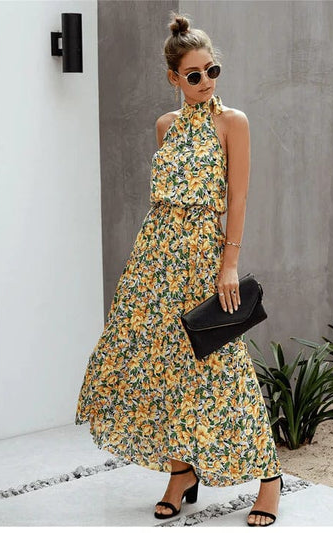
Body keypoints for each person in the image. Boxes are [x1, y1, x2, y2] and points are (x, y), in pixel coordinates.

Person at [75, 12, 283, 527]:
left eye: (212, 70)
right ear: (174, 78)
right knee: (164, 366)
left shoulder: (233, 122)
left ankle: (269, 477)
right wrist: (144, 267)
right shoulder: (165, 126)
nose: (206, 81)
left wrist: (229, 263)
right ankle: (181, 472)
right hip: (155, 257)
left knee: (223, 365)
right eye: (194, 75)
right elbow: (165, 202)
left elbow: (238, 197)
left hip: (204, 257)